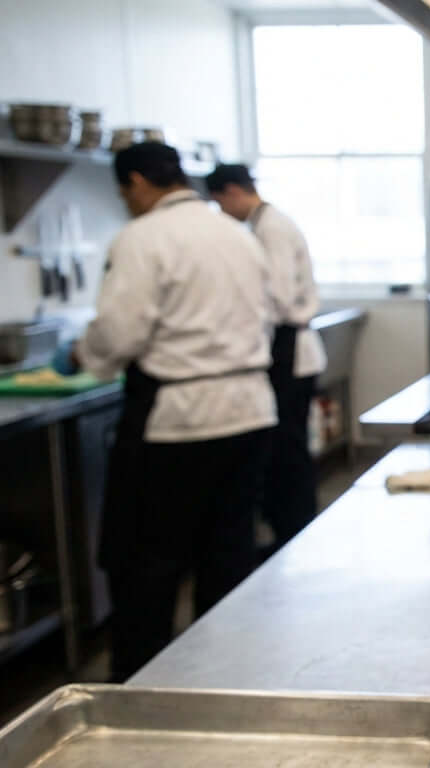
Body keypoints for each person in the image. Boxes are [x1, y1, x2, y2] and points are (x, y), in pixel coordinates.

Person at [71, 143, 276, 680]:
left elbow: (121, 331)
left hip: (179, 421)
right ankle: (228, 677)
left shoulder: (142, 238)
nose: (126, 202)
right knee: (228, 557)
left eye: (124, 192)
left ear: (138, 182)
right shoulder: (237, 236)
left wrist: (83, 355)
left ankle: (143, 691)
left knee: (148, 566)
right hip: (250, 412)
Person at [206, 164, 326, 549]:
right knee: (285, 450)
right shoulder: (266, 223)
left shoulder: (270, 227)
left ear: (233, 192)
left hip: (289, 348)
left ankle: (294, 533)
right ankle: (291, 528)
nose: (222, 212)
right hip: (287, 346)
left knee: (286, 452)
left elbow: (276, 296)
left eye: (220, 202)